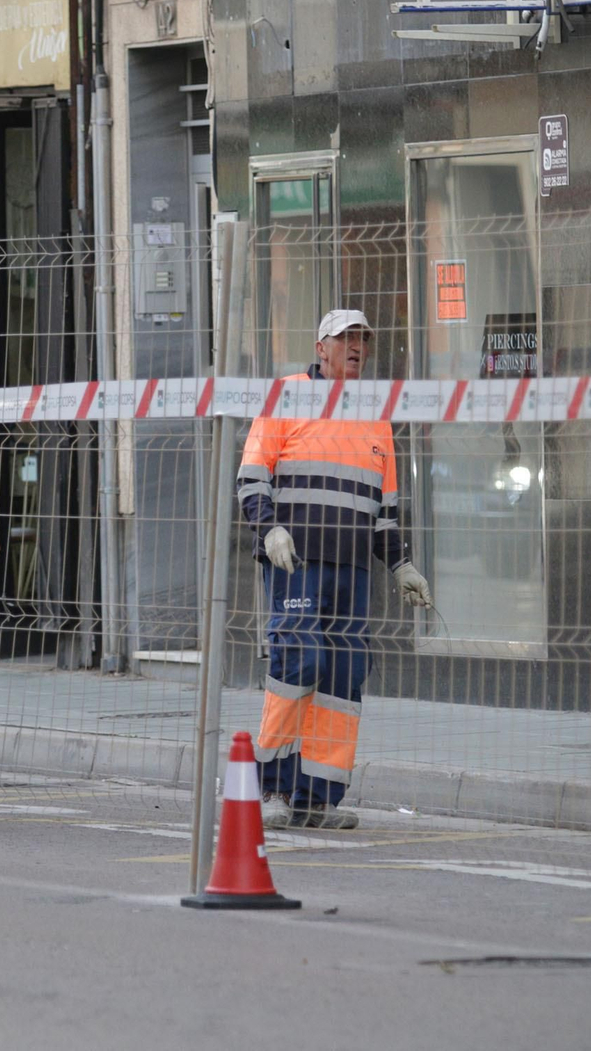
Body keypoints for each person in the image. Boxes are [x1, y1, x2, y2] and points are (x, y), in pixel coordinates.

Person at [236, 308, 432, 830]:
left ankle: (318, 799)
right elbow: (252, 477)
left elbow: (384, 510)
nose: (356, 346)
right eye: (345, 337)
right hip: (295, 560)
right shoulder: (287, 394)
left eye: (363, 338)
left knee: (344, 677)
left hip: (351, 570)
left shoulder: (375, 413)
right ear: (320, 347)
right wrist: (269, 528)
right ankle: (274, 789)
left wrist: (402, 566)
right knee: (299, 663)